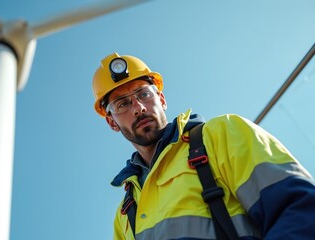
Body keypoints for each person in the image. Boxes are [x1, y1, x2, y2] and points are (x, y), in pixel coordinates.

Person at [91, 52, 315, 240]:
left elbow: (298, 208)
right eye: (123, 103)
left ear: (162, 100)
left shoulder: (221, 135)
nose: (139, 108)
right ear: (112, 122)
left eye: (144, 94)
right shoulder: (124, 215)